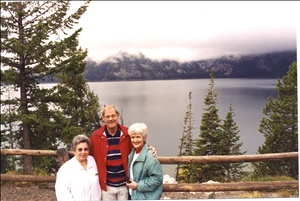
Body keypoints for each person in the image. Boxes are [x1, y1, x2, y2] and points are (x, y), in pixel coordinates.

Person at [89, 105, 157, 200]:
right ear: (103, 118)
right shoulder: (96, 136)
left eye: (113, 115)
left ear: (118, 116)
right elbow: (88, 156)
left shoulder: (127, 134)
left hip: (124, 185)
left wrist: (149, 148)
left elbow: (138, 145)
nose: (111, 119)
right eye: (107, 117)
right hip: (106, 187)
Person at [55, 134, 101, 201]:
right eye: (80, 149)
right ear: (74, 151)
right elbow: (62, 194)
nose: (83, 152)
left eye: (86, 149)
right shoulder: (65, 169)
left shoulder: (92, 161)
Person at [126, 123, 163, 200]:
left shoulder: (150, 157)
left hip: (145, 197)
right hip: (135, 196)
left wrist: (138, 185)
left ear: (144, 137)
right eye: (133, 137)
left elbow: (157, 178)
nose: (135, 140)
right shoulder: (132, 154)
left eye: (138, 137)